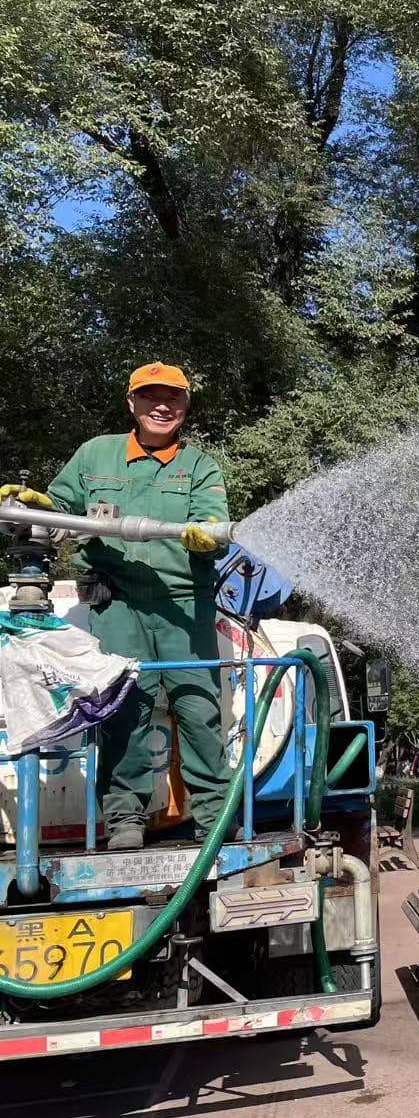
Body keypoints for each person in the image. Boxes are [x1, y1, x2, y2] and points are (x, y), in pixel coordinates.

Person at [1, 363, 229, 849]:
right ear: (132, 403)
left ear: (186, 406)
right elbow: (56, 512)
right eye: (151, 396)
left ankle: (214, 820)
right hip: (118, 604)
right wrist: (33, 504)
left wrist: (205, 536)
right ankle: (125, 819)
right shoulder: (95, 455)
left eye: (174, 397)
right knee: (127, 709)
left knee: (198, 709)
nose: (162, 406)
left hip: (184, 607)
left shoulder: (201, 465)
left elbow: (214, 520)